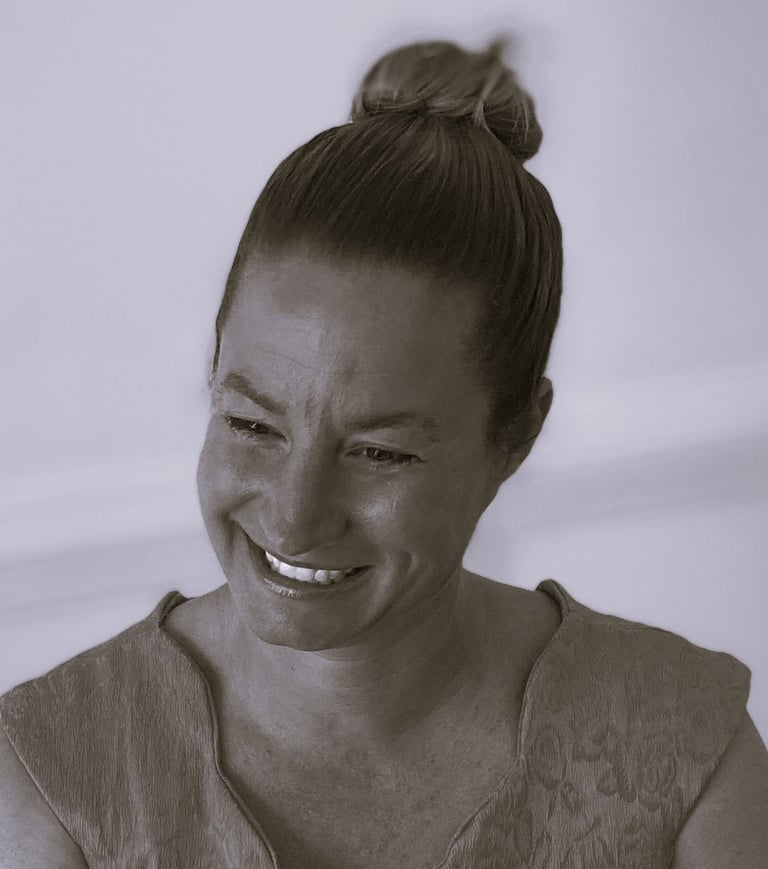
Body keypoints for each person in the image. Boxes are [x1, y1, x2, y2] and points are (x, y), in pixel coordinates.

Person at [1, 36, 767, 869]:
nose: (293, 518)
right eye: (252, 425)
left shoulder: (686, 750)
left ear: (515, 437)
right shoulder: (54, 774)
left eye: (379, 453)